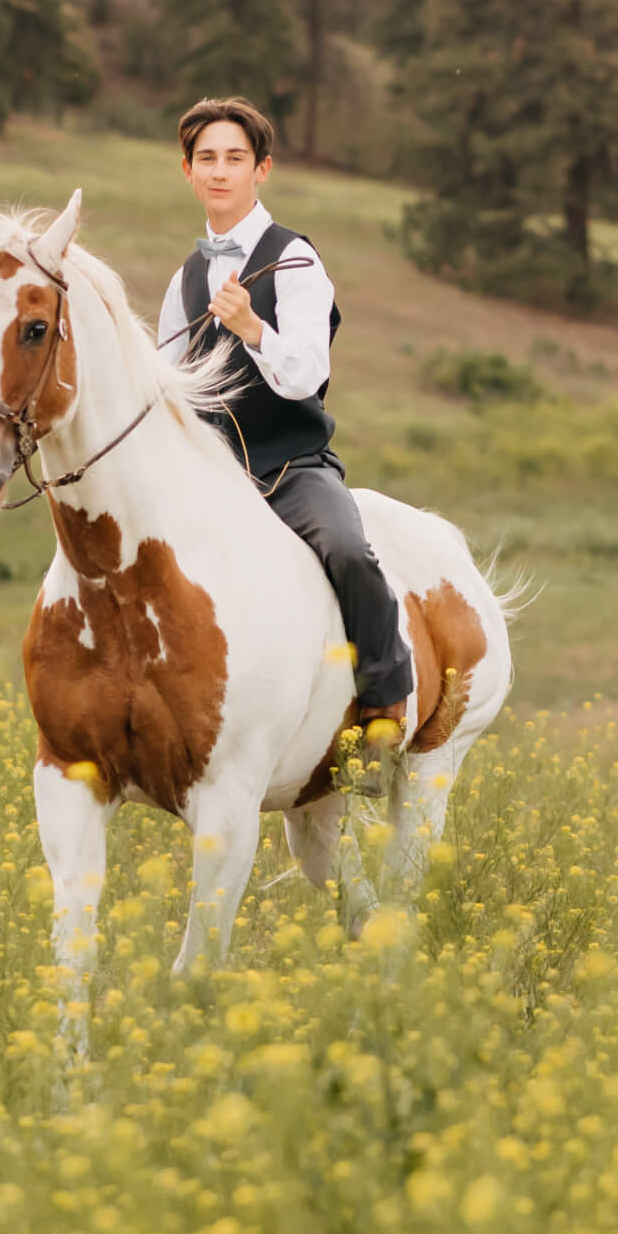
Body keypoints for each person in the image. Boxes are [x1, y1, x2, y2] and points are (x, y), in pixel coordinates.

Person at [154, 96, 416, 782]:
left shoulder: (294, 261)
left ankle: (385, 704)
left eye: (234, 159)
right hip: (214, 478)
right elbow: (167, 389)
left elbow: (306, 375)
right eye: (206, 159)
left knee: (350, 551)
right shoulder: (183, 279)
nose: (220, 172)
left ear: (261, 169)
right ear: (187, 171)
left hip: (291, 466)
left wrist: (248, 326)